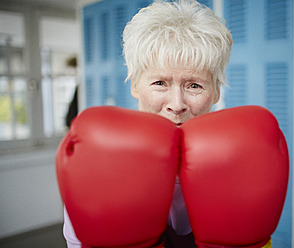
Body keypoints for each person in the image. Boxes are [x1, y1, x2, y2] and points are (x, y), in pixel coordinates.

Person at [62, 0, 233, 247]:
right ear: (134, 86)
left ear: (215, 92)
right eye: (160, 83)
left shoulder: (239, 159)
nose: (177, 104)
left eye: (194, 85)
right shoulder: (98, 165)